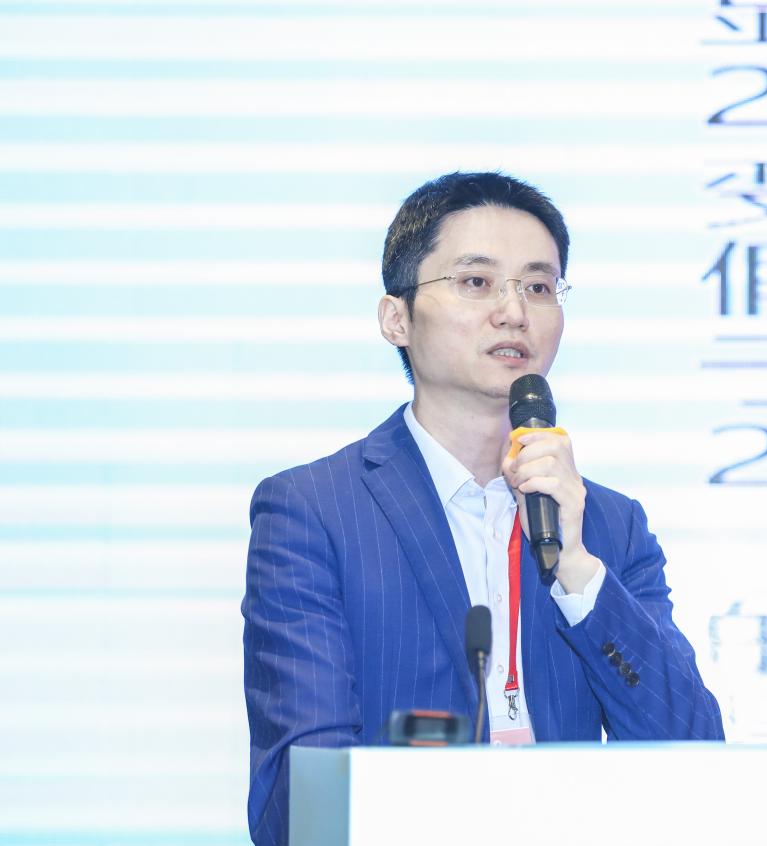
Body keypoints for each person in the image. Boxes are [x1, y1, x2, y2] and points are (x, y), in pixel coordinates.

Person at [241, 172, 725, 846]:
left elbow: (694, 754)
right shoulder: (314, 512)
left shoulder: (607, 525)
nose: (514, 312)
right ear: (397, 318)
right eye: (476, 281)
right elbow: (301, 795)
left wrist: (578, 570)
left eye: (538, 287)